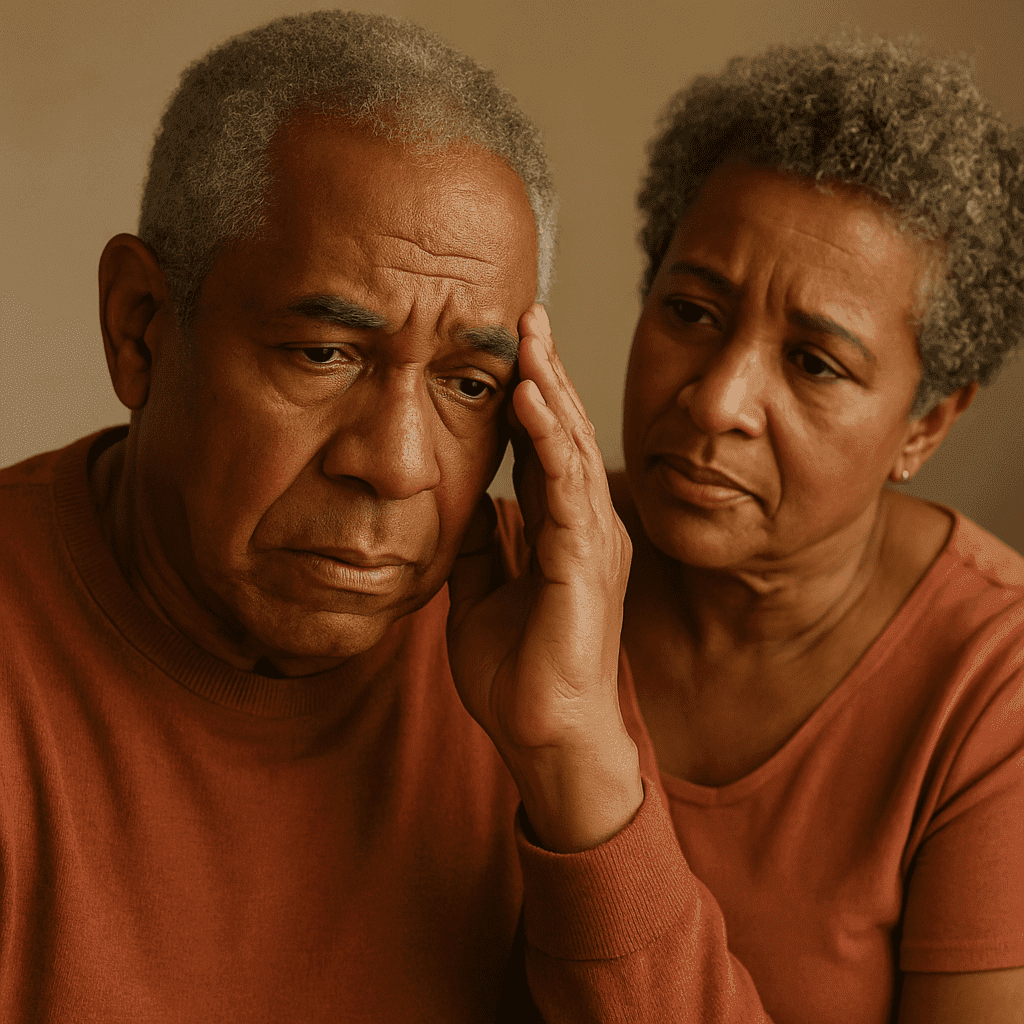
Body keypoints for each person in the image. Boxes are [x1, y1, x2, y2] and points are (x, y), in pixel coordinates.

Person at [0, 10, 631, 1021]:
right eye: (322, 354)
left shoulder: (542, 624)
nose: (396, 463)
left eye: (468, 383)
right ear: (141, 327)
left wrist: (577, 764)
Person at [463, 36, 1024, 1023]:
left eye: (813, 363)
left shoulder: (991, 690)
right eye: (690, 310)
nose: (718, 397)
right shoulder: (505, 576)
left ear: (925, 424)